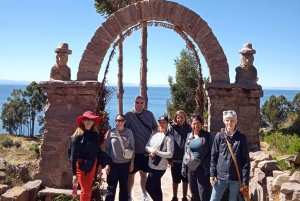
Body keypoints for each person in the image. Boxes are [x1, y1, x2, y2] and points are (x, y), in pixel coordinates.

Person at [210, 110, 250, 201]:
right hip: (220, 177)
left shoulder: (241, 138)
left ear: (236, 121)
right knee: (214, 199)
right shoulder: (219, 136)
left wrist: (245, 182)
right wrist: (212, 174)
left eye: (232, 120)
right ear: (224, 121)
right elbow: (214, 156)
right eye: (227, 120)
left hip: (236, 178)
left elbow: (245, 161)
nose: (229, 123)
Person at [125, 95, 158, 201]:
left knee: (144, 173)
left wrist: (154, 142)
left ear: (144, 104)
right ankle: (129, 195)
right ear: (134, 103)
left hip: (146, 151)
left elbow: (155, 128)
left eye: (141, 103)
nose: (139, 105)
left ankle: (143, 194)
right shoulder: (129, 115)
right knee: (131, 174)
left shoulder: (149, 114)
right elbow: (124, 130)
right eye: (137, 103)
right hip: (133, 152)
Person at [70, 111, 103, 201]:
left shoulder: (95, 135)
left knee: (88, 189)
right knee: (86, 190)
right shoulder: (77, 137)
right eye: (87, 119)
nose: (89, 122)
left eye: (91, 120)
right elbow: (72, 156)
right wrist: (74, 174)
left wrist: (100, 164)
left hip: (92, 164)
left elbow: (98, 151)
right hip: (80, 166)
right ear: (83, 121)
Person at [181, 115, 214, 201]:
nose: (196, 126)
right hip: (191, 169)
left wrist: (213, 169)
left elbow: (214, 152)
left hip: (203, 169)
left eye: (198, 123)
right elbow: (186, 153)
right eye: (194, 124)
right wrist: (184, 167)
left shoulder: (207, 136)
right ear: (191, 125)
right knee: (194, 193)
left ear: (201, 124)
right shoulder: (189, 136)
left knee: (203, 194)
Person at [105, 114, 135, 201]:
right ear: (115, 122)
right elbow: (107, 148)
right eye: (118, 120)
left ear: (124, 121)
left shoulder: (129, 132)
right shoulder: (111, 132)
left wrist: (132, 163)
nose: (120, 122)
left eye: (122, 120)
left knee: (124, 188)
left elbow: (132, 148)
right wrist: (107, 164)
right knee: (111, 188)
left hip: (125, 165)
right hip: (113, 164)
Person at [145, 115, 174, 201]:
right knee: (157, 187)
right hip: (151, 165)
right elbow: (146, 146)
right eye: (160, 122)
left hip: (160, 167)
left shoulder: (169, 138)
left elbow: (170, 154)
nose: (161, 124)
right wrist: (152, 151)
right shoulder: (154, 134)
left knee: (148, 187)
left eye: (164, 122)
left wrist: (157, 153)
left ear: (167, 124)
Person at [168, 110, 192, 201]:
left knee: (185, 179)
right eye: (178, 117)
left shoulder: (189, 128)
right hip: (175, 159)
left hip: (186, 159)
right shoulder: (172, 128)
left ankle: (184, 197)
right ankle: (174, 196)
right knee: (175, 179)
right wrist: (169, 159)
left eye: (182, 117)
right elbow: (168, 143)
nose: (180, 119)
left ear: (185, 118)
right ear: (175, 118)